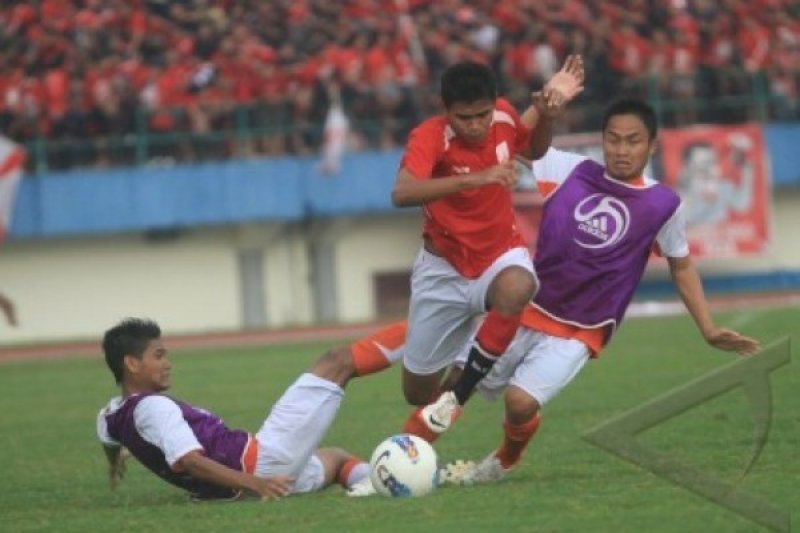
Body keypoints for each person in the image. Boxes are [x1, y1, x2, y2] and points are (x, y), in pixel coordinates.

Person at [432, 98, 761, 485]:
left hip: (580, 329)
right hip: (525, 306)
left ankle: (503, 461)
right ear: (603, 140)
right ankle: (410, 453)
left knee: (519, 403)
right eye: (613, 139)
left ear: (652, 146)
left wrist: (708, 328)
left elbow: (682, 264)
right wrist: (546, 107)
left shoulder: (663, 204)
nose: (621, 150)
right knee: (456, 381)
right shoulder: (569, 169)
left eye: (633, 141)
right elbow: (512, 143)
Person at [393, 56, 585, 440]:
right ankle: (455, 372)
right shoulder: (429, 136)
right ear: (446, 111)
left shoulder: (505, 116)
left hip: (499, 255)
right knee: (416, 392)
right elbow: (402, 192)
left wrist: (547, 117)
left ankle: (459, 393)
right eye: (464, 118)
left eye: (482, 114)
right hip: (442, 269)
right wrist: (476, 179)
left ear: (494, 103)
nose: (476, 125)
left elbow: (533, 150)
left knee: (518, 287)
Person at [96, 318, 405, 501]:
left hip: (235, 487)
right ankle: (423, 326)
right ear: (132, 363)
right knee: (336, 362)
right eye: (158, 355)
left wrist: (115, 463)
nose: (167, 363)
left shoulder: (110, 416)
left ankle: (378, 483)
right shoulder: (153, 407)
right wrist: (258, 484)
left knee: (336, 459)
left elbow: (109, 441)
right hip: (258, 466)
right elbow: (191, 461)